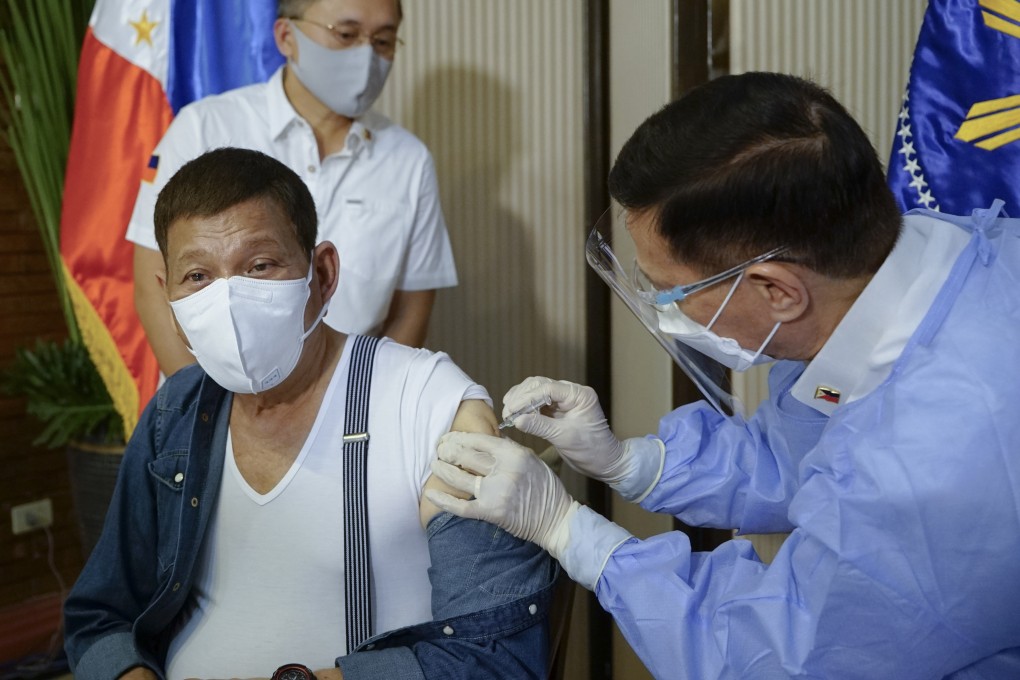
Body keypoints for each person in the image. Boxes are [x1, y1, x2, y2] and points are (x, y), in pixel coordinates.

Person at [426, 72, 1020, 679]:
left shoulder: (926, 470)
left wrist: (567, 530)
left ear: (777, 291)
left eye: (669, 292)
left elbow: (778, 659)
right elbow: (805, 455)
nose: (665, 312)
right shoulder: (930, 273)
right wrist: (629, 462)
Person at [64, 148, 556, 680]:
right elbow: (99, 616)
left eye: (260, 266)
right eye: (198, 276)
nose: (228, 300)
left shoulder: (428, 403)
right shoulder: (175, 413)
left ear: (321, 274)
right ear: (172, 304)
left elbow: (497, 656)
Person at [129, 0, 455, 376]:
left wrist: (360, 403)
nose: (366, 56)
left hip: (349, 406)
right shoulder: (205, 127)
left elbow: (411, 310)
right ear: (286, 36)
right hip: (211, 399)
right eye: (346, 34)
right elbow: (153, 284)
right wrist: (206, 412)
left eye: (383, 41)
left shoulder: (408, 160)